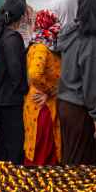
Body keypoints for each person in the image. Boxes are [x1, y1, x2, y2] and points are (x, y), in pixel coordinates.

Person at [56, 0, 96, 165]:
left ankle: (64, 190)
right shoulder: (92, 43)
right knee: (82, 162)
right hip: (80, 109)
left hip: (64, 103)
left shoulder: (69, 34)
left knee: (70, 154)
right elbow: (92, 84)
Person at [23, 9, 62, 165]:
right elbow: (34, 74)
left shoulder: (41, 44)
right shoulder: (42, 47)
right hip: (42, 107)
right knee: (43, 151)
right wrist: (49, 91)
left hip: (38, 104)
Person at [0, 0, 28, 163]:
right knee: (15, 142)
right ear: (20, 17)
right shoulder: (12, 38)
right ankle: (13, 176)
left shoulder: (0, 33)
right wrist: (23, 89)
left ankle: (4, 175)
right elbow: (15, 70)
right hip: (11, 97)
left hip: (2, 94)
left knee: (5, 140)